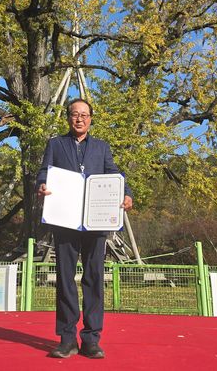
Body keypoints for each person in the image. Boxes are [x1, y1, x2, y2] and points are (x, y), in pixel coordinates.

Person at [36, 98, 133, 359]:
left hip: (95, 223)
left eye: (84, 115)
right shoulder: (55, 144)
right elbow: (44, 172)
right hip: (65, 221)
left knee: (93, 279)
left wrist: (126, 194)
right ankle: (67, 339)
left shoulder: (101, 148)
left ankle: (91, 338)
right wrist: (42, 185)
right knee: (65, 280)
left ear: (91, 119)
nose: (79, 119)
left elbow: (115, 174)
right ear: (68, 117)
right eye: (74, 114)